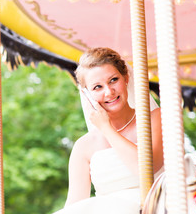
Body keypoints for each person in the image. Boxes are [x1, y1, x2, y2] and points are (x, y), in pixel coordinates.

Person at [54, 47, 163, 214]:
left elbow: (146, 169)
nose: (109, 92)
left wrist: (106, 128)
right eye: (97, 87)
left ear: (126, 78)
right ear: (87, 94)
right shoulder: (84, 147)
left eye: (113, 80)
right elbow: (75, 205)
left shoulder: (155, 119)